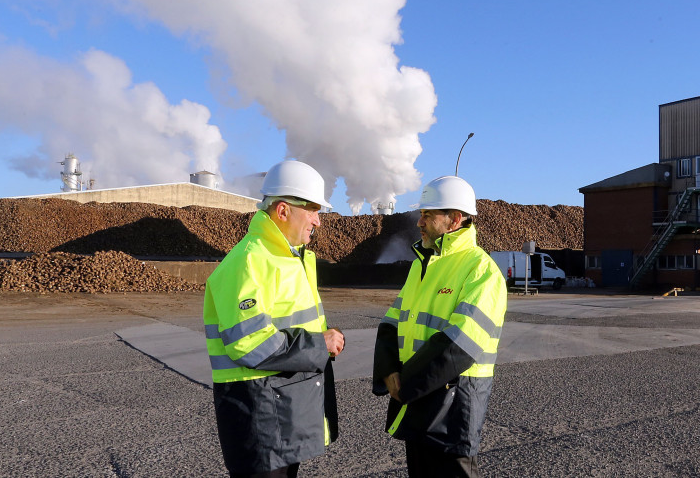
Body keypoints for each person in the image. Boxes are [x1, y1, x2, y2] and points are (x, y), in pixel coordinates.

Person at [203, 160, 346, 478]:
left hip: (279, 417)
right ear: (283, 211)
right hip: (260, 420)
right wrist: (318, 344)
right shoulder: (250, 261)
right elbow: (248, 342)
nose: (318, 221)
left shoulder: (289, 259)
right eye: (312, 209)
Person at [373, 175, 508, 478]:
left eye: (428, 215)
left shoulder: (481, 270)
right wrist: (388, 371)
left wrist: (404, 383)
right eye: (420, 214)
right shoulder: (424, 265)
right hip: (419, 395)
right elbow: (390, 323)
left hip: (453, 404)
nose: (419, 222)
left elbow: (461, 343)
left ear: (454, 219)